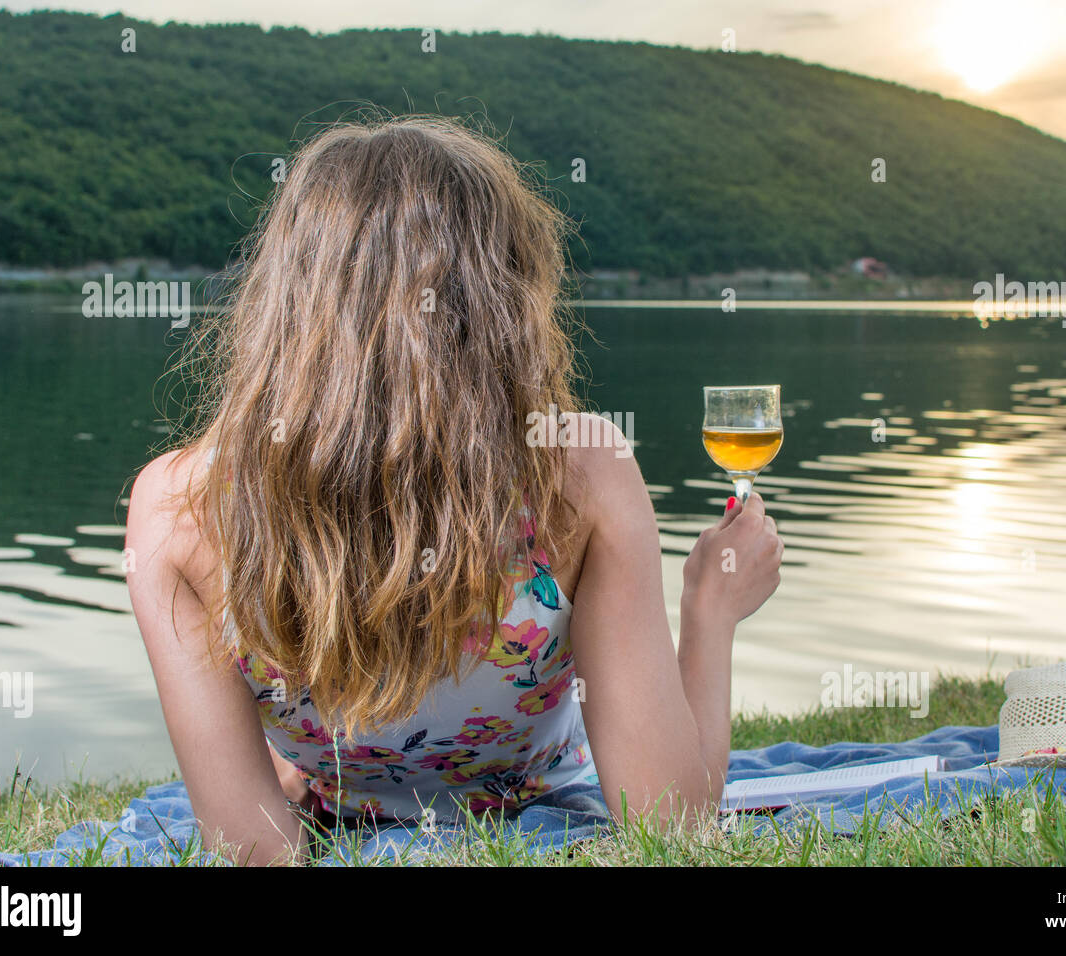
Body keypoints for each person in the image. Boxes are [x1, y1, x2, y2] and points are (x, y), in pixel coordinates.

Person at [125, 116, 782, 865]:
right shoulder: (580, 470)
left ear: (283, 297)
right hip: (541, 799)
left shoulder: (175, 508)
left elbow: (255, 851)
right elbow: (673, 828)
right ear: (504, 300)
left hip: (334, 806)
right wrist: (712, 610)